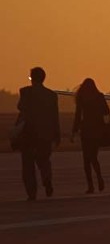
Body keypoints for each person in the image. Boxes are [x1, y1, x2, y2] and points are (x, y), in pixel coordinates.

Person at [16, 67, 60, 201]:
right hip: (45, 133)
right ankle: (47, 180)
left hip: (29, 133)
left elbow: (20, 107)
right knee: (44, 160)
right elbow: (55, 116)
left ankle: (32, 193)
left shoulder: (25, 92)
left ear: (31, 78)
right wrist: (56, 134)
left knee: (28, 165)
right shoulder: (51, 95)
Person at [71, 78, 110, 194]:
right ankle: (99, 177)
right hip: (97, 130)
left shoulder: (81, 98)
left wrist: (74, 131)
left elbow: (78, 116)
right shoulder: (100, 96)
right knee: (94, 156)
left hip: (86, 130)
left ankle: (90, 186)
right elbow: (106, 111)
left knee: (86, 159)